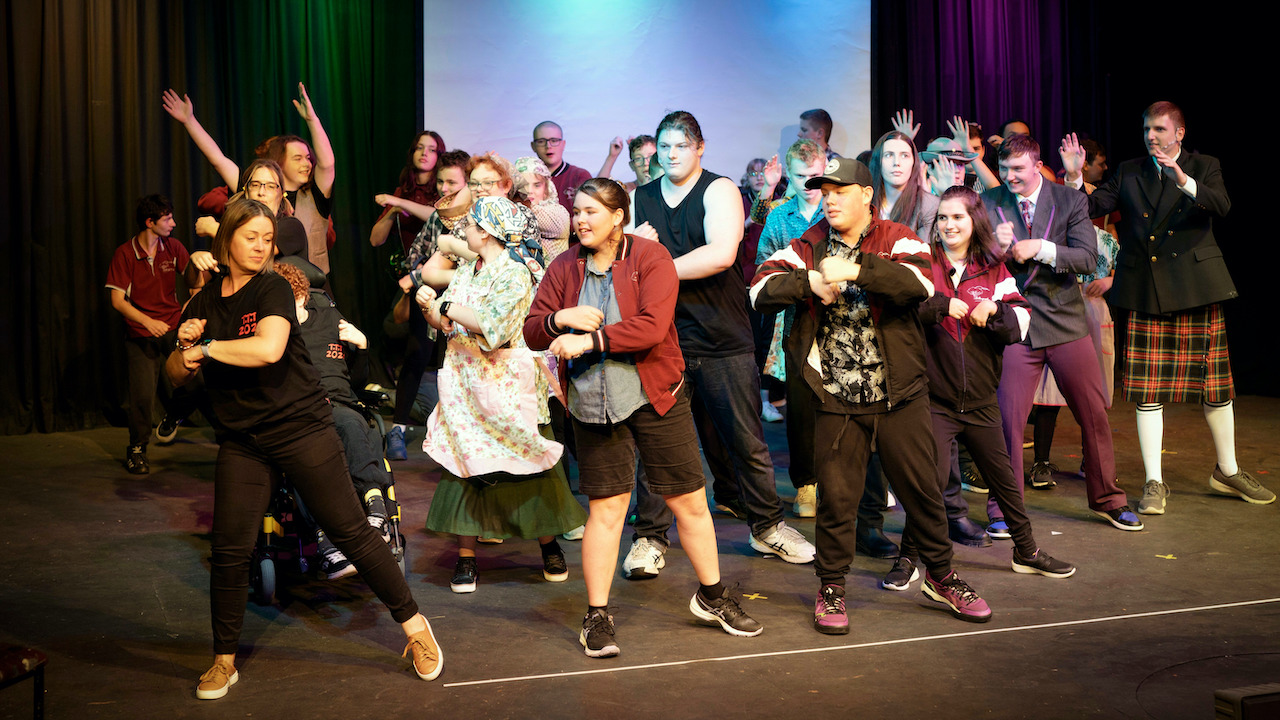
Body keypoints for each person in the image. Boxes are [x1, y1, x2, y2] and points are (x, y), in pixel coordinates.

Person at [165, 197, 441, 699]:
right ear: (227, 239)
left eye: (267, 239)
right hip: (243, 440)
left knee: (351, 531)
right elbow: (173, 372)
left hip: (301, 428)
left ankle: (416, 628)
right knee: (230, 550)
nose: (261, 247)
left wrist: (203, 350)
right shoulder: (204, 302)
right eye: (251, 237)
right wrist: (183, 350)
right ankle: (223, 661)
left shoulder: (272, 287)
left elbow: (268, 348)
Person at [751, 157, 993, 632]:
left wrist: (856, 268)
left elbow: (919, 285)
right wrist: (811, 281)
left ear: (866, 194)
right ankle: (832, 588)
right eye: (826, 190)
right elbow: (758, 290)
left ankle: (941, 577)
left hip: (898, 394)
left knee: (924, 494)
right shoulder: (806, 245)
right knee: (838, 500)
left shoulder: (897, 236)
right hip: (836, 398)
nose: (831, 198)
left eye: (841, 190)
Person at [525, 178, 763, 658]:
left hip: (656, 396)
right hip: (595, 404)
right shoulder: (564, 266)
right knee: (608, 510)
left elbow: (653, 327)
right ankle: (596, 613)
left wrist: (589, 340)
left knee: (689, 502)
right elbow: (534, 329)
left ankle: (712, 597)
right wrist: (561, 319)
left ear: (618, 216)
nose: (582, 219)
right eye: (577, 211)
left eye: (593, 211)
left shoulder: (649, 258)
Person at [626, 111, 814, 578]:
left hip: (721, 336)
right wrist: (636, 252)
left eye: (680, 147)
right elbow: (623, 262)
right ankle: (650, 539)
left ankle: (767, 526)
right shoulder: (640, 198)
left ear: (700, 148)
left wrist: (652, 259)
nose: (670, 155)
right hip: (661, 337)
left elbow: (720, 254)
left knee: (745, 441)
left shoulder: (719, 189)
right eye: (664, 147)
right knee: (657, 443)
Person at [1061, 102, 1274, 510]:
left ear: (1179, 133)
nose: (1151, 136)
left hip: (1195, 288)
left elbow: (1222, 205)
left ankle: (1226, 471)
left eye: (1159, 129)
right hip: (1146, 290)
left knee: (1216, 387)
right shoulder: (1129, 170)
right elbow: (1088, 209)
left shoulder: (1203, 164)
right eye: (1146, 129)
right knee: (1147, 391)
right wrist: (1074, 177)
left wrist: (1185, 180)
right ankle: (1154, 482)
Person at [413, 196, 585, 593]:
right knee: (466, 462)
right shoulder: (468, 270)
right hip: (466, 382)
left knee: (529, 460)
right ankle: (467, 557)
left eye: (471, 224)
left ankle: (548, 545)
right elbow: (447, 323)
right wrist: (430, 309)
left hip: (505, 380)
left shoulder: (514, 273)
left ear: (488, 232)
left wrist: (448, 305)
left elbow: (491, 327)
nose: (464, 230)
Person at [910, 186, 1075, 587]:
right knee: (925, 483)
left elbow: (1021, 322)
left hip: (981, 401)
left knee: (1005, 479)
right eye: (944, 218)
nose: (950, 225)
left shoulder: (993, 269)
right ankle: (909, 559)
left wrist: (995, 310)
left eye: (958, 218)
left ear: (974, 222)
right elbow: (906, 310)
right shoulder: (921, 264)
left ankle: (1027, 551)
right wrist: (939, 307)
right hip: (935, 399)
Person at [982, 134, 1141, 532]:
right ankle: (1004, 507)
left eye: (1017, 169)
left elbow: (1087, 257)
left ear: (1037, 166)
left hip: (1066, 322)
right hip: (1017, 325)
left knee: (1094, 415)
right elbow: (976, 262)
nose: (1009, 176)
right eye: (1004, 169)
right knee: (1007, 419)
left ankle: (1107, 499)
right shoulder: (990, 203)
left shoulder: (1070, 200)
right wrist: (995, 250)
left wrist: (1040, 247)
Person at [272, 261, 396, 579]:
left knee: (353, 424)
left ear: (304, 297)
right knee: (304, 455)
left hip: (339, 403)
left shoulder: (328, 315)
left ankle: (376, 507)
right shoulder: (273, 333)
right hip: (299, 413)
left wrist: (363, 347)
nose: (294, 309)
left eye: (298, 301)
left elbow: (355, 378)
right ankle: (327, 542)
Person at [163, 84, 337, 273]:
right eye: (298, 158)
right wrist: (189, 121)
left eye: (309, 158)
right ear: (279, 162)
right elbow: (218, 160)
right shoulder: (256, 189)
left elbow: (327, 164)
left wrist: (312, 119)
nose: (307, 163)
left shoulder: (313, 198)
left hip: (309, 293)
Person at [755, 140, 828, 515]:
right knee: (800, 407)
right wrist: (795, 280)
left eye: (814, 175)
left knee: (834, 403)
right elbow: (762, 265)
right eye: (799, 176)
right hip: (795, 317)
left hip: (835, 315)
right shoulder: (780, 215)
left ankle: (843, 482)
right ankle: (805, 485)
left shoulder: (834, 208)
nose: (807, 183)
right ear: (789, 174)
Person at [384, 149, 472, 460]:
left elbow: (471, 268)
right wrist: (422, 274)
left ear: (468, 183)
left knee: (455, 364)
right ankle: (398, 428)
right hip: (429, 297)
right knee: (416, 354)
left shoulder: (479, 217)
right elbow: (417, 251)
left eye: (452, 182)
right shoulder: (437, 217)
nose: (444, 189)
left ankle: (457, 437)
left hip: (463, 304)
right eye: (440, 182)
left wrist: (428, 273)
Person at [106, 194, 200, 473]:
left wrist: (189, 307)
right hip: (140, 331)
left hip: (172, 326)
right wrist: (148, 322)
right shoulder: (125, 253)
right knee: (142, 394)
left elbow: (196, 285)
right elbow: (117, 301)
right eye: (167, 218)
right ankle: (137, 448)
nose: (173, 223)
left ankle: (172, 416)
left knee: (196, 379)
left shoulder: (173, 247)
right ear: (150, 222)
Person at [369, 130, 446, 253]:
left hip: (438, 266)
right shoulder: (403, 192)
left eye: (431, 150)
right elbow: (375, 240)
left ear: (439, 156)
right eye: (419, 148)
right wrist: (393, 211)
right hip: (410, 266)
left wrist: (400, 202)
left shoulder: (443, 189)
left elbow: (439, 217)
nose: (424, 153)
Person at [531, 121, 593, 220]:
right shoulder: (525, 178)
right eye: (541, 141)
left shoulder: (579, 176)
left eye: (554, 140)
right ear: (533, 146)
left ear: (563, 144)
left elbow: (589, 215)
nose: (548, 146)